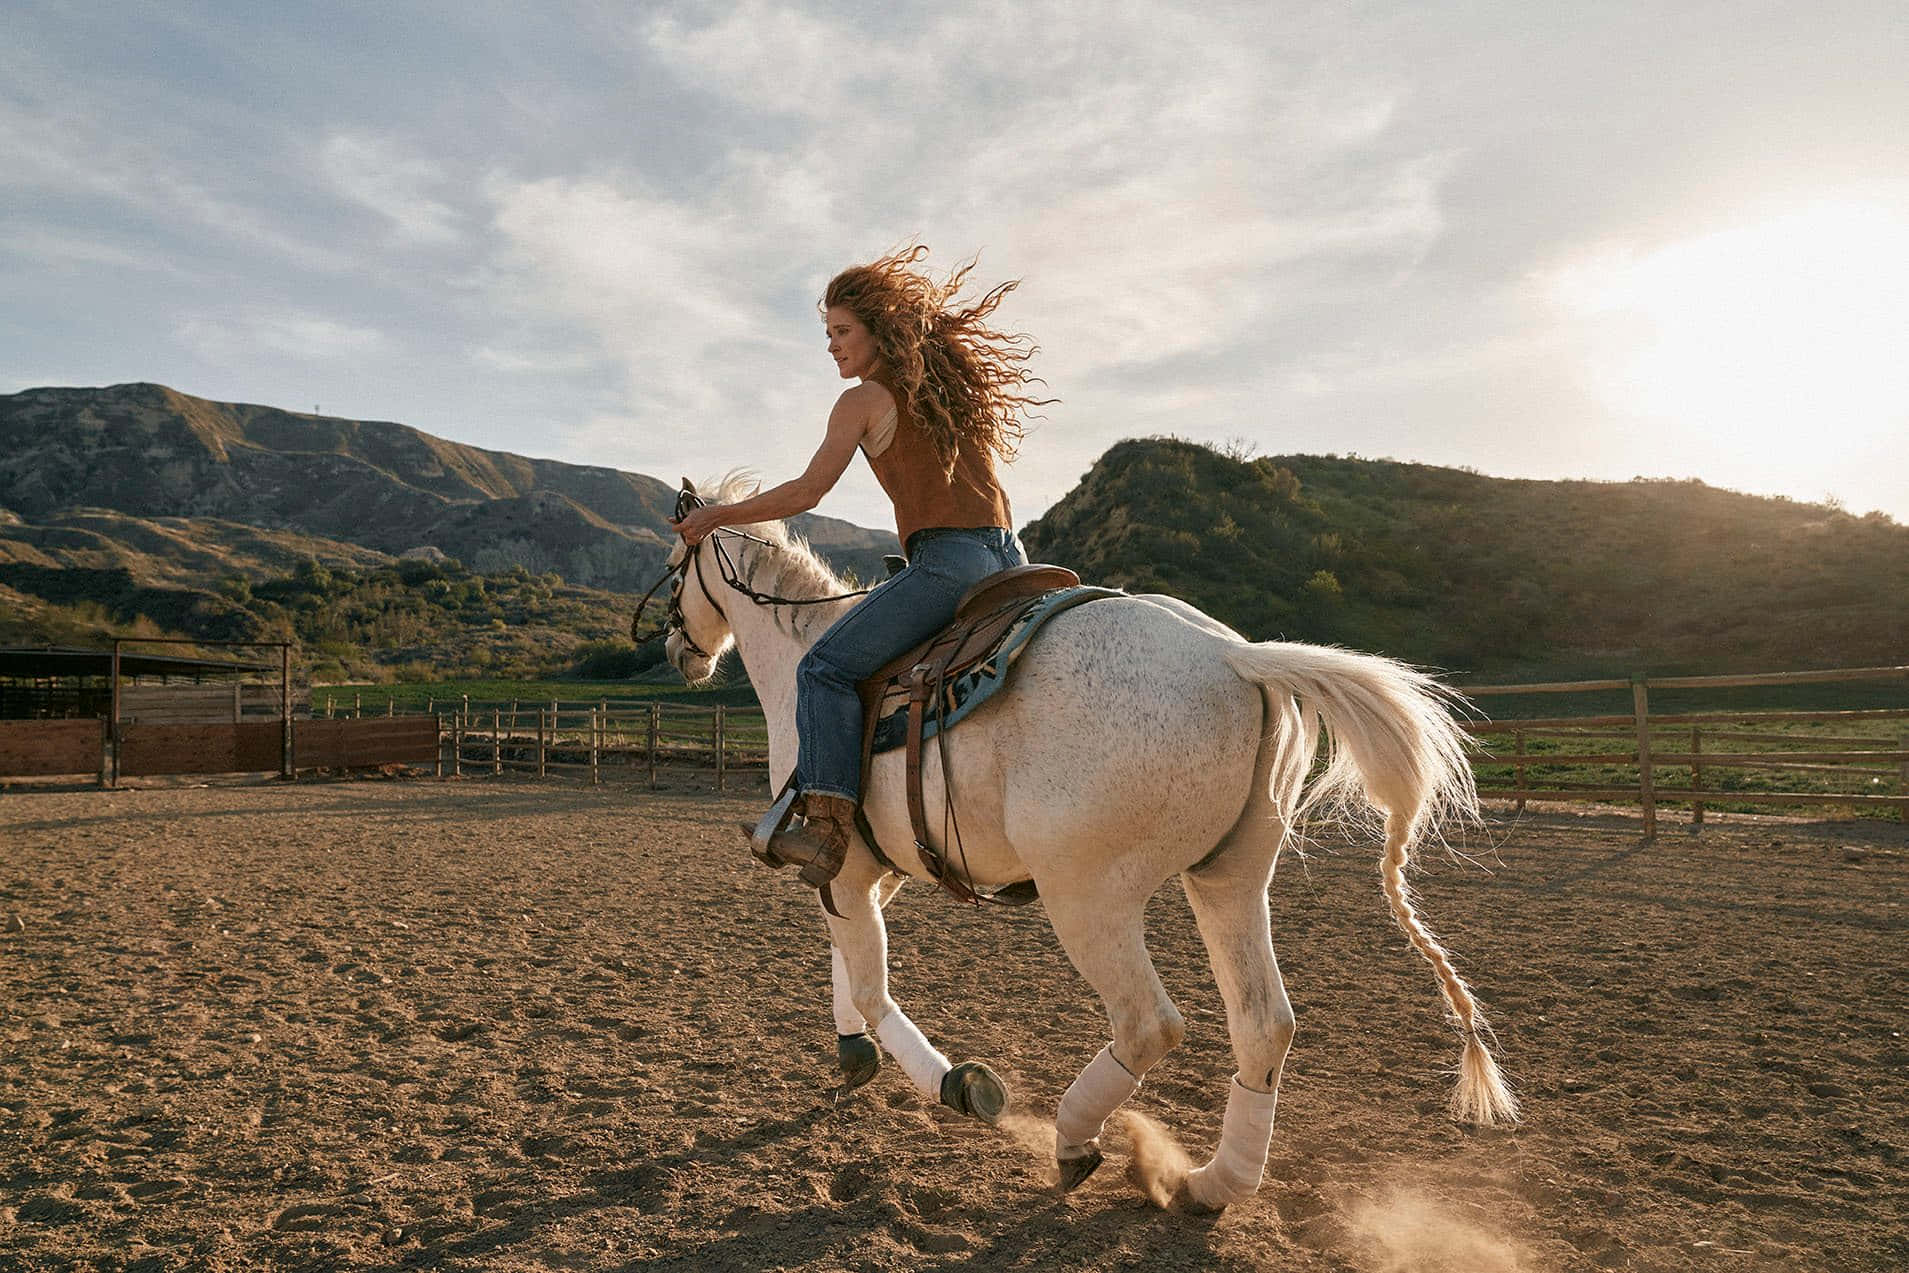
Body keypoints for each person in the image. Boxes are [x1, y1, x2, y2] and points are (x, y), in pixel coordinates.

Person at [671, 245, 1048, 888]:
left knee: (823, 669)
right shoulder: (950, 396)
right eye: (828, 333)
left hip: (947, 565)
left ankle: (824, 832)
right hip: (1011, 559)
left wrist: (715, 517)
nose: (832, 346)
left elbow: (805, 494)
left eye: (843, 331)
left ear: (881, 329)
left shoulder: (863, 401)